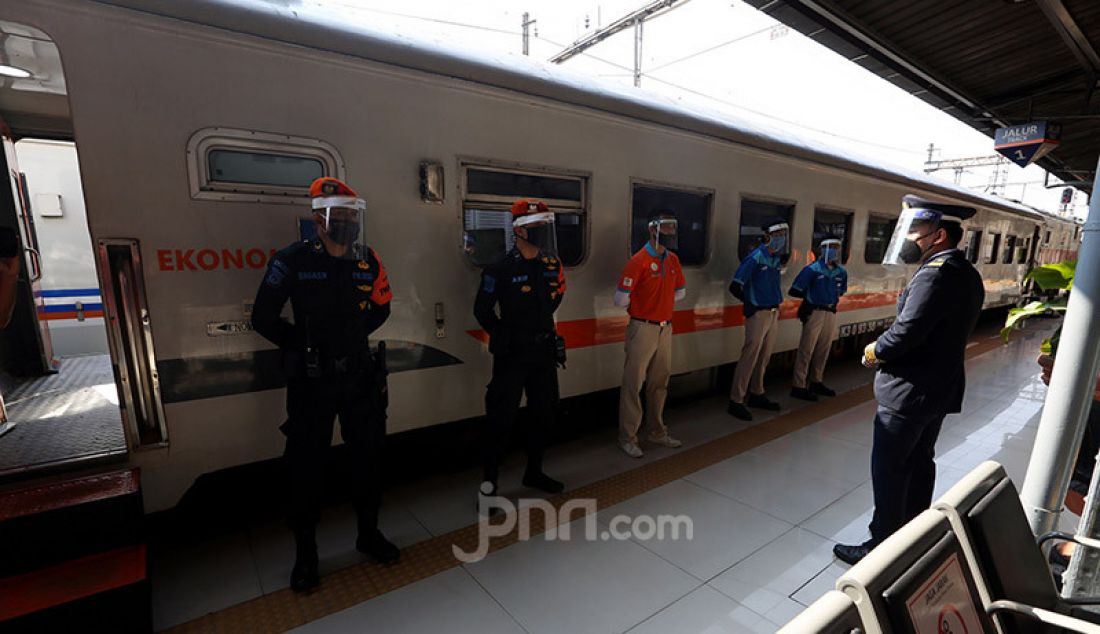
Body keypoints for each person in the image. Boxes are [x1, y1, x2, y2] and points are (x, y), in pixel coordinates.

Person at [252, 177, 399, 593]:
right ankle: (306, 555)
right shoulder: (292, 261)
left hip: (359, 378)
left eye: (354, 216)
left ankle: (368, 535)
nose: (349, 223)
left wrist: (350, 341)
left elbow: (382, 308)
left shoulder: (367, 261)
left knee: (368, 460)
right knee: (306, 470)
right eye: (342, 216)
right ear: (319, 219)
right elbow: (263, 318)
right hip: (312, 383)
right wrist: (304, 345)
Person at [834, 196, 984, 565]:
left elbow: (906, 332)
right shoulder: (965, 272)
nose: (910, 237)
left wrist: (874, 351)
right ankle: (914, 533)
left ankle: (881, 545)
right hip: (938, 389)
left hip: (908, 393)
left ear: (940, 235)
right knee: (920, 462)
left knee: (890, 469)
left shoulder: (934, 275)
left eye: (916, 230)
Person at [474, 199, 567, 504]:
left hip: (543, 352)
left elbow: (557, 296)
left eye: (544, 226)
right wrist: (504, 334)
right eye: (535, 227)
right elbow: (482, 309)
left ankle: (534, 472)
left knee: (545, 413)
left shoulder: (552, 264)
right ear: (518, 230)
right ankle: (489, 487)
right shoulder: (500, 267)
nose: (541, 232)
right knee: (500, 420)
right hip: (512, 355)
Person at [614, 212, 687, 458]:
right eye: (665, 229)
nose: (670, 234)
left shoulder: (673, 260)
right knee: (634, 383)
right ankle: (628, 437)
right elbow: (620, 299)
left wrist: (659, 303)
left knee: (659, 381)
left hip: (665, 327)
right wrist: (644, 306)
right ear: (651, 230)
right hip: (642, 327)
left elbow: (681, 292)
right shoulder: (639, 260)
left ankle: (657, 431)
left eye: (672, 229)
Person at [727, 218, 789, 421]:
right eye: (777, 235)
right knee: (750, 355)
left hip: (772, 311)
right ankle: (736, 399)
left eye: (783, 236)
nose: (781, 239)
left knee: (764, 356)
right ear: (767, 237)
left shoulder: (775, 259)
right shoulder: (756, 257)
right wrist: (749, 303)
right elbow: (736, 285)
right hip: (758, 313)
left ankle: (757, 392)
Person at [789, 236, 848, 401]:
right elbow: (795, 289)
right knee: (806, 348)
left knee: (824, 348)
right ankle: (798, 384)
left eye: (836, 247)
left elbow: (841, 291)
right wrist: (809, 299)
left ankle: (816, 380)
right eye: (830, 247)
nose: (834, 250)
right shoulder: (812, 269)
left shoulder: (841, 272)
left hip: (830, 311)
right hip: (814, 311)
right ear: (821, 249)